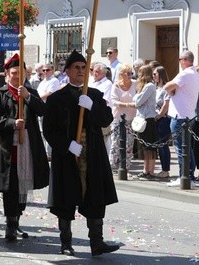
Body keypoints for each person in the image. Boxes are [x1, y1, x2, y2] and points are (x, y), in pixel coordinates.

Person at [43, 50, 119, 257]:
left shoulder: (94, 95)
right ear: (67, 71)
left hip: (92, 152)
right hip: (68, 153)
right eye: (76, 67)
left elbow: (106, 120)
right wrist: (66, 144)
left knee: (94, 196)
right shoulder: (57, 98)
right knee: (66, 197)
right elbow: (49, 129)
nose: (80, 71)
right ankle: (66, 242)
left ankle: (97, 242)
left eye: (84, 68)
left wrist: (92, 106)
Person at [0, 53, 49, 242]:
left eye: (20, 72)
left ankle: (17, 218)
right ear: (7, 73)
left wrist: (28, 97)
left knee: (23, 186)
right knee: (10, 187)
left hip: (28, 148)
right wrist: (12, 123)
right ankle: (10, 223)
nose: (17, 76)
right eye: (14, 73)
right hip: (9, 148)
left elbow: (42, 111)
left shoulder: (30, 92)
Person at [164, 50, 199, 186]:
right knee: (187, 148)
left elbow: (167, 86)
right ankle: (189, 176)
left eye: (180, 59)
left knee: (181, 148)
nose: (179, 62)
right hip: (188, 115)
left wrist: (171, 88)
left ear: (185, 60)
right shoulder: (195, 73)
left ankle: (184, 177)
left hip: (180, 116)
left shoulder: (185, 74)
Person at [132, 65, 158, 180]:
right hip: (142, 118)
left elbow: (138, 101)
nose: (138, 75)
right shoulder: (143, 87)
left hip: (148, 119)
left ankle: (150, 171)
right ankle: (145, 170)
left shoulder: (149, 86)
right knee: (144, 146)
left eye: (139, 73)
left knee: (149, 147)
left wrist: (137, 95)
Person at [109, 64, 137, 170]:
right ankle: (112, 165)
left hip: (131, 118)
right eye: (128, 73)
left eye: (131, 73)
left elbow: (139, 97)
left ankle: (126, 167)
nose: (130, 75)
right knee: (115, 142)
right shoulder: (116, 86)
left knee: (129, 144)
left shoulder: (135, 84)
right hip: (118, 118)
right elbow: (114, 101)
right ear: (122, 74)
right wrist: (129, 104)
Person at [153, 66, 171, 178]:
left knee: (163, 144)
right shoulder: (155, 88)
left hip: (163, 118)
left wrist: (159, 115)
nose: (153, 76)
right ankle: (163, 168)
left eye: (155, 74)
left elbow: (166, 104)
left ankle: (166, 169)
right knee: (159, 145)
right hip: (155, 118)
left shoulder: (166, 88)